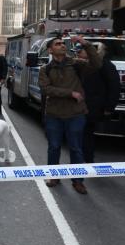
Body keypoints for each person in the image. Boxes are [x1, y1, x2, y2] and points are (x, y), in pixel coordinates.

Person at [39, 35, 101, 194]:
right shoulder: (45, 69)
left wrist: (86, 44)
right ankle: (54, 176)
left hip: (75, 114)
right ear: (50, 50)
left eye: (63, 43)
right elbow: (46, 90)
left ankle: (78, 181)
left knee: (76, 148)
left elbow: (96, 64)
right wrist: (70, 93)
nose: (62, 45)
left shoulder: (76, 64)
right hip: (54, 115)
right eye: (57, 44)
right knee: (53, 147)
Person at [75, 43, 120, 163]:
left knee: (86, 134)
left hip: (93, 107)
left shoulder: (105, 65)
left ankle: (87, 161)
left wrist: (109, 107)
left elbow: (114, 87)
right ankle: (82, 160)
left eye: (82, 51)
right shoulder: (84, 65)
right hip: (82, 106)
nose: (78, 53)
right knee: (81, 134)